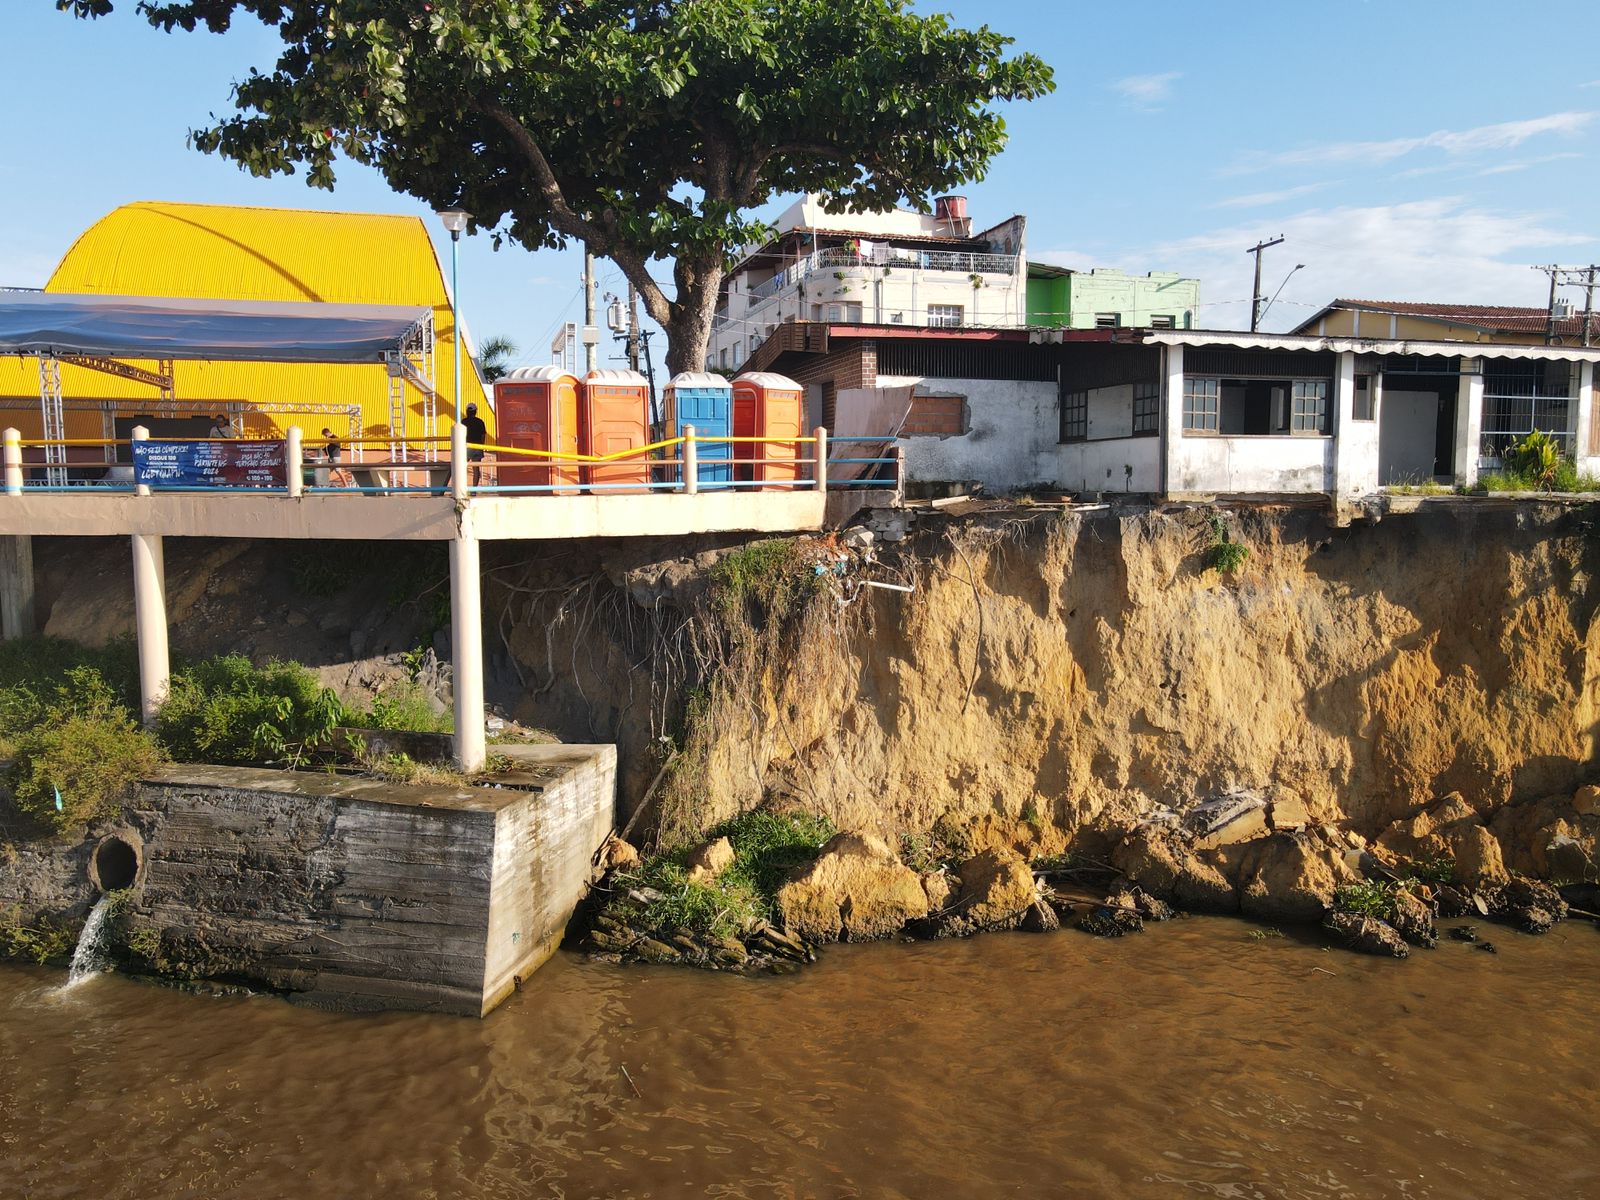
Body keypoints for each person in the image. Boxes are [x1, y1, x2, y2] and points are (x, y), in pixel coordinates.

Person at [461, 402, 489, 487]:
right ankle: (474, 490)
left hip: (466, 447)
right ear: (475, 411)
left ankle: (461, 488)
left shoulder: (463, 422)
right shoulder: (480, 422)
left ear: (467, 411)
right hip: (477, 447)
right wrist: (482, 447)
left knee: (461, 468)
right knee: (476, 469)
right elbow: (483, 435)